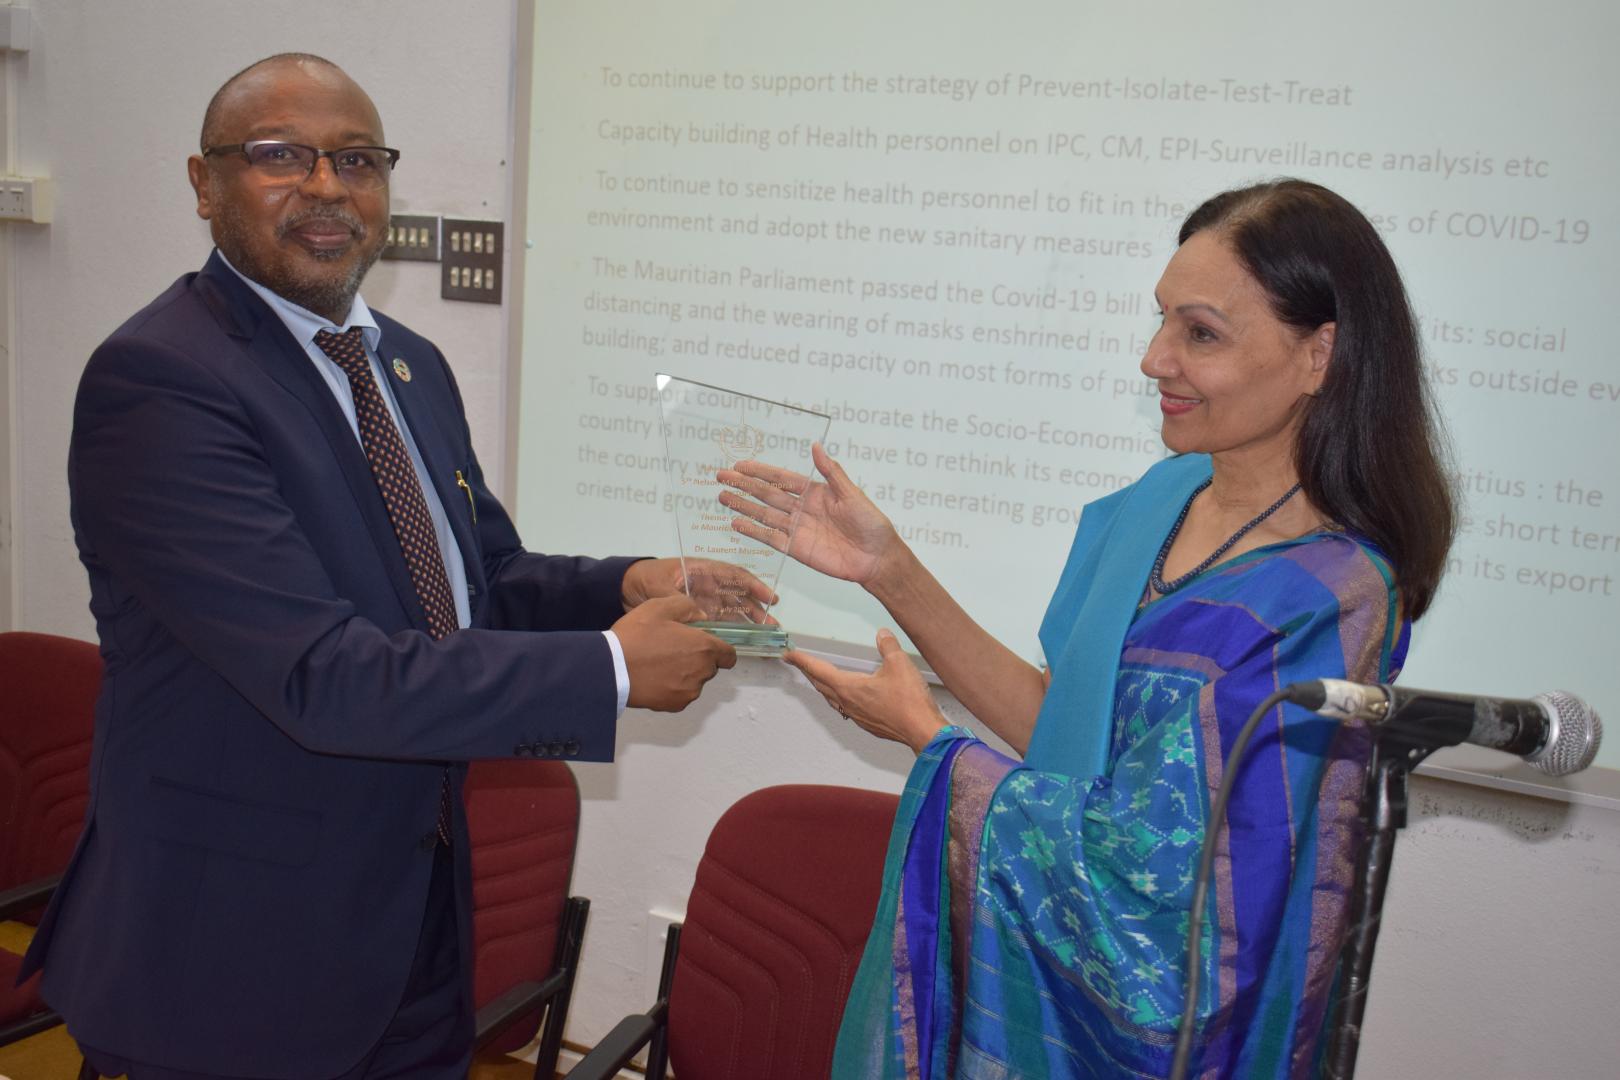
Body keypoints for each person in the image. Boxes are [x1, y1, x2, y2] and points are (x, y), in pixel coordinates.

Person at [21, 53, 763, 1080]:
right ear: (203, 183)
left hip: (409, 931)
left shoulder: (403, 361)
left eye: (358, 160)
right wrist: (615, 669)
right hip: (229, 967)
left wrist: (627, 585)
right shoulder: (161, 383)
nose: (327, 186)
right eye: (280, 155)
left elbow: (472, 584)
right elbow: (323, 674)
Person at [720, 179, 1455, 1077]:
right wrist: (889, 572)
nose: (1155, 360)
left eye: (1201, 333)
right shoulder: (1154, 502)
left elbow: (1176, 907)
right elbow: (1061, 727)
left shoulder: (1332, 597)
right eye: (1160, 322)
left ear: (1320, 354)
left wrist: (929, 741)